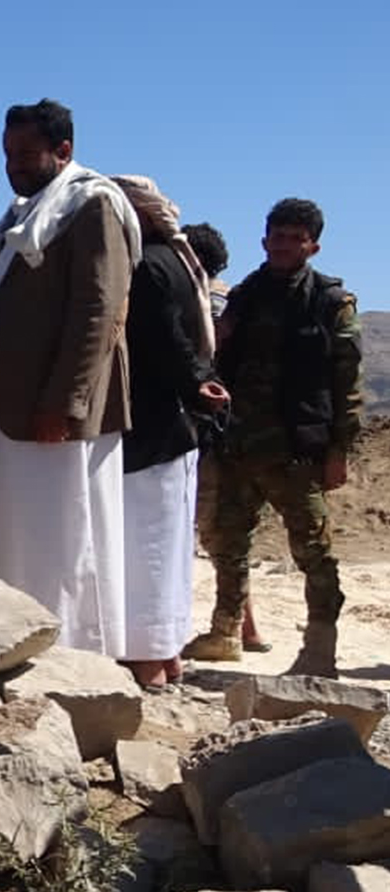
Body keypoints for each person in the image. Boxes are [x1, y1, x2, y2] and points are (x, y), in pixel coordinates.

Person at [0, 99, 140, 656]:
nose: (13, 165)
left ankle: (75, 658)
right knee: (20, 540)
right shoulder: (27, 214)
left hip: (56, 415)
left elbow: (99, 309)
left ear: (63, 151)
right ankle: (23, 647)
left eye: (26, 153)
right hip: (11, 403)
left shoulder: (91, 205)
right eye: (7, 154)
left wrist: (66, 401)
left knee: (66, 541)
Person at [190, 199, 363, 677]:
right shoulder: (247, 294)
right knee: (228, 542)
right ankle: (226, 631)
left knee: (314, 552)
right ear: (264, 239)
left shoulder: (329, 303)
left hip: (296, 451)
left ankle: (319, 649)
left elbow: (348, 385)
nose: (282, 245)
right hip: (239, 444)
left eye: (294, 238)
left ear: (313, 245)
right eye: (276, 236)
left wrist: (338, 451)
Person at [111, 177, 229, 687]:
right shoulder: (179, 264)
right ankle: (167, 654)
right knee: (169, 546)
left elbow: (166, 341)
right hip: (173, 430)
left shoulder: (145, 268)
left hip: (146, 430)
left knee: (142, 548)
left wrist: (195, 382)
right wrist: (201, 385)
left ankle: (145, 663)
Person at [183, 220, 264, 651]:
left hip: (207, 428)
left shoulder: (208, 302)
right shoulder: (232, 296)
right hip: (232, 427)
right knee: (225, 535)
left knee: (213, 532)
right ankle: (248, 628)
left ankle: (233, 630)